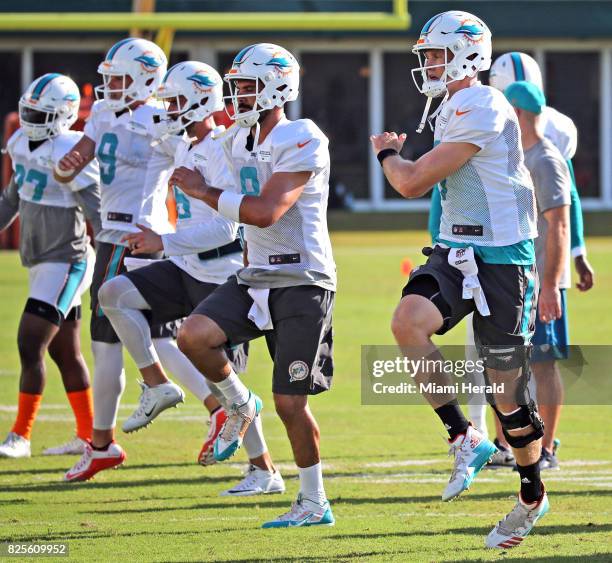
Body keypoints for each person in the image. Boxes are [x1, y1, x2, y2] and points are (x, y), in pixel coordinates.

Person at [371, 11, 548, 548]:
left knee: (507, 397)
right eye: (424, 55)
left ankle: (531, 491)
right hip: (457, 248)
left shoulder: (483, 103)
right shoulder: (450, 105)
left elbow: (411, 181)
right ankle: (462, 436)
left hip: (503, 258)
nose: (426, 64)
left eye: (436, 54)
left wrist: (386, 153)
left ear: (469, 54)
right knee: (408, 322)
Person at [92, 60, 284, 495]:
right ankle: (157, 384)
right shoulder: (183, 143)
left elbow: (225, 227)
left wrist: (163, 241)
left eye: (176, 100)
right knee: (114, 294)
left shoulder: (219, 149)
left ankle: (265, 470)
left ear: (201, 101)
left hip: (222, 275)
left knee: (228, 385)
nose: (168, 108)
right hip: (188, 265)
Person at [171, 43, 336, 528]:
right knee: (193, 335)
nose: (238, 94)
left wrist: (203, 191)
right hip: (256, 274)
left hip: (302, 277)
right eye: (236, 85)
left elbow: (266, 211)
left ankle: (313, 500)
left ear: (279, 87)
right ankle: (239, 403)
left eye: (248, 86)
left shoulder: (301, 134)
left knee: (290, 403)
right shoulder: (231, 140)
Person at [55, 38, 192, 481]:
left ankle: (104, 441)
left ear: (148, 78)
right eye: (108, 77)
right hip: (111, 237)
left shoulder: (160, 119)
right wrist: (72, 160)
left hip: (135, 239)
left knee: (111, 343)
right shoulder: (103, 111)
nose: (110, 85)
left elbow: (192, 164)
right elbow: (87, 150)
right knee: (147, 340)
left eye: (119, 78)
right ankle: (219, 410)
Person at [0, 74, 99, 458]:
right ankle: (89, 437)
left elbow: (97, 213)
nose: (29, 119)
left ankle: (21, 436)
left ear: (63, 116)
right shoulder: (21, 143)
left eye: (40, 114)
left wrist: (112, 260)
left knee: (29, 341)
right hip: (39, 261)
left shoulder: (70, 150)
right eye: (29, 111)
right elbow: (12, 199)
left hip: (68, 259)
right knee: (64, 352)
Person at [505, 81, 571, 470]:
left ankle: (546, 450)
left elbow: (559, 226)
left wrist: (551, 285)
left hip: (541, 283)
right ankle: (521, 446)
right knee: (511, 364)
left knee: (544, 364)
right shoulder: (515, 157)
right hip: (516, 281)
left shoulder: (545, 160)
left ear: (516, 114)